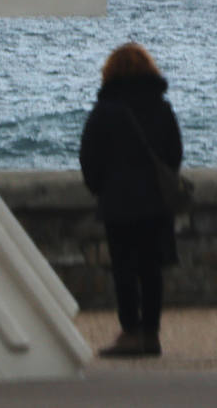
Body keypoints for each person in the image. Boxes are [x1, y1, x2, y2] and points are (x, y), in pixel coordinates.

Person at [78, 42, 183, 358]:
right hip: (155, 202)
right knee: (151, 269)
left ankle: (130, 331)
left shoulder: (105, 111)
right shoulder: (162, 108)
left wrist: (101, 189)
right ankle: (151, 334)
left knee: (124, 269)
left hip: (118, 202)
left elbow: (89, 158)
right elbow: (174, 155)